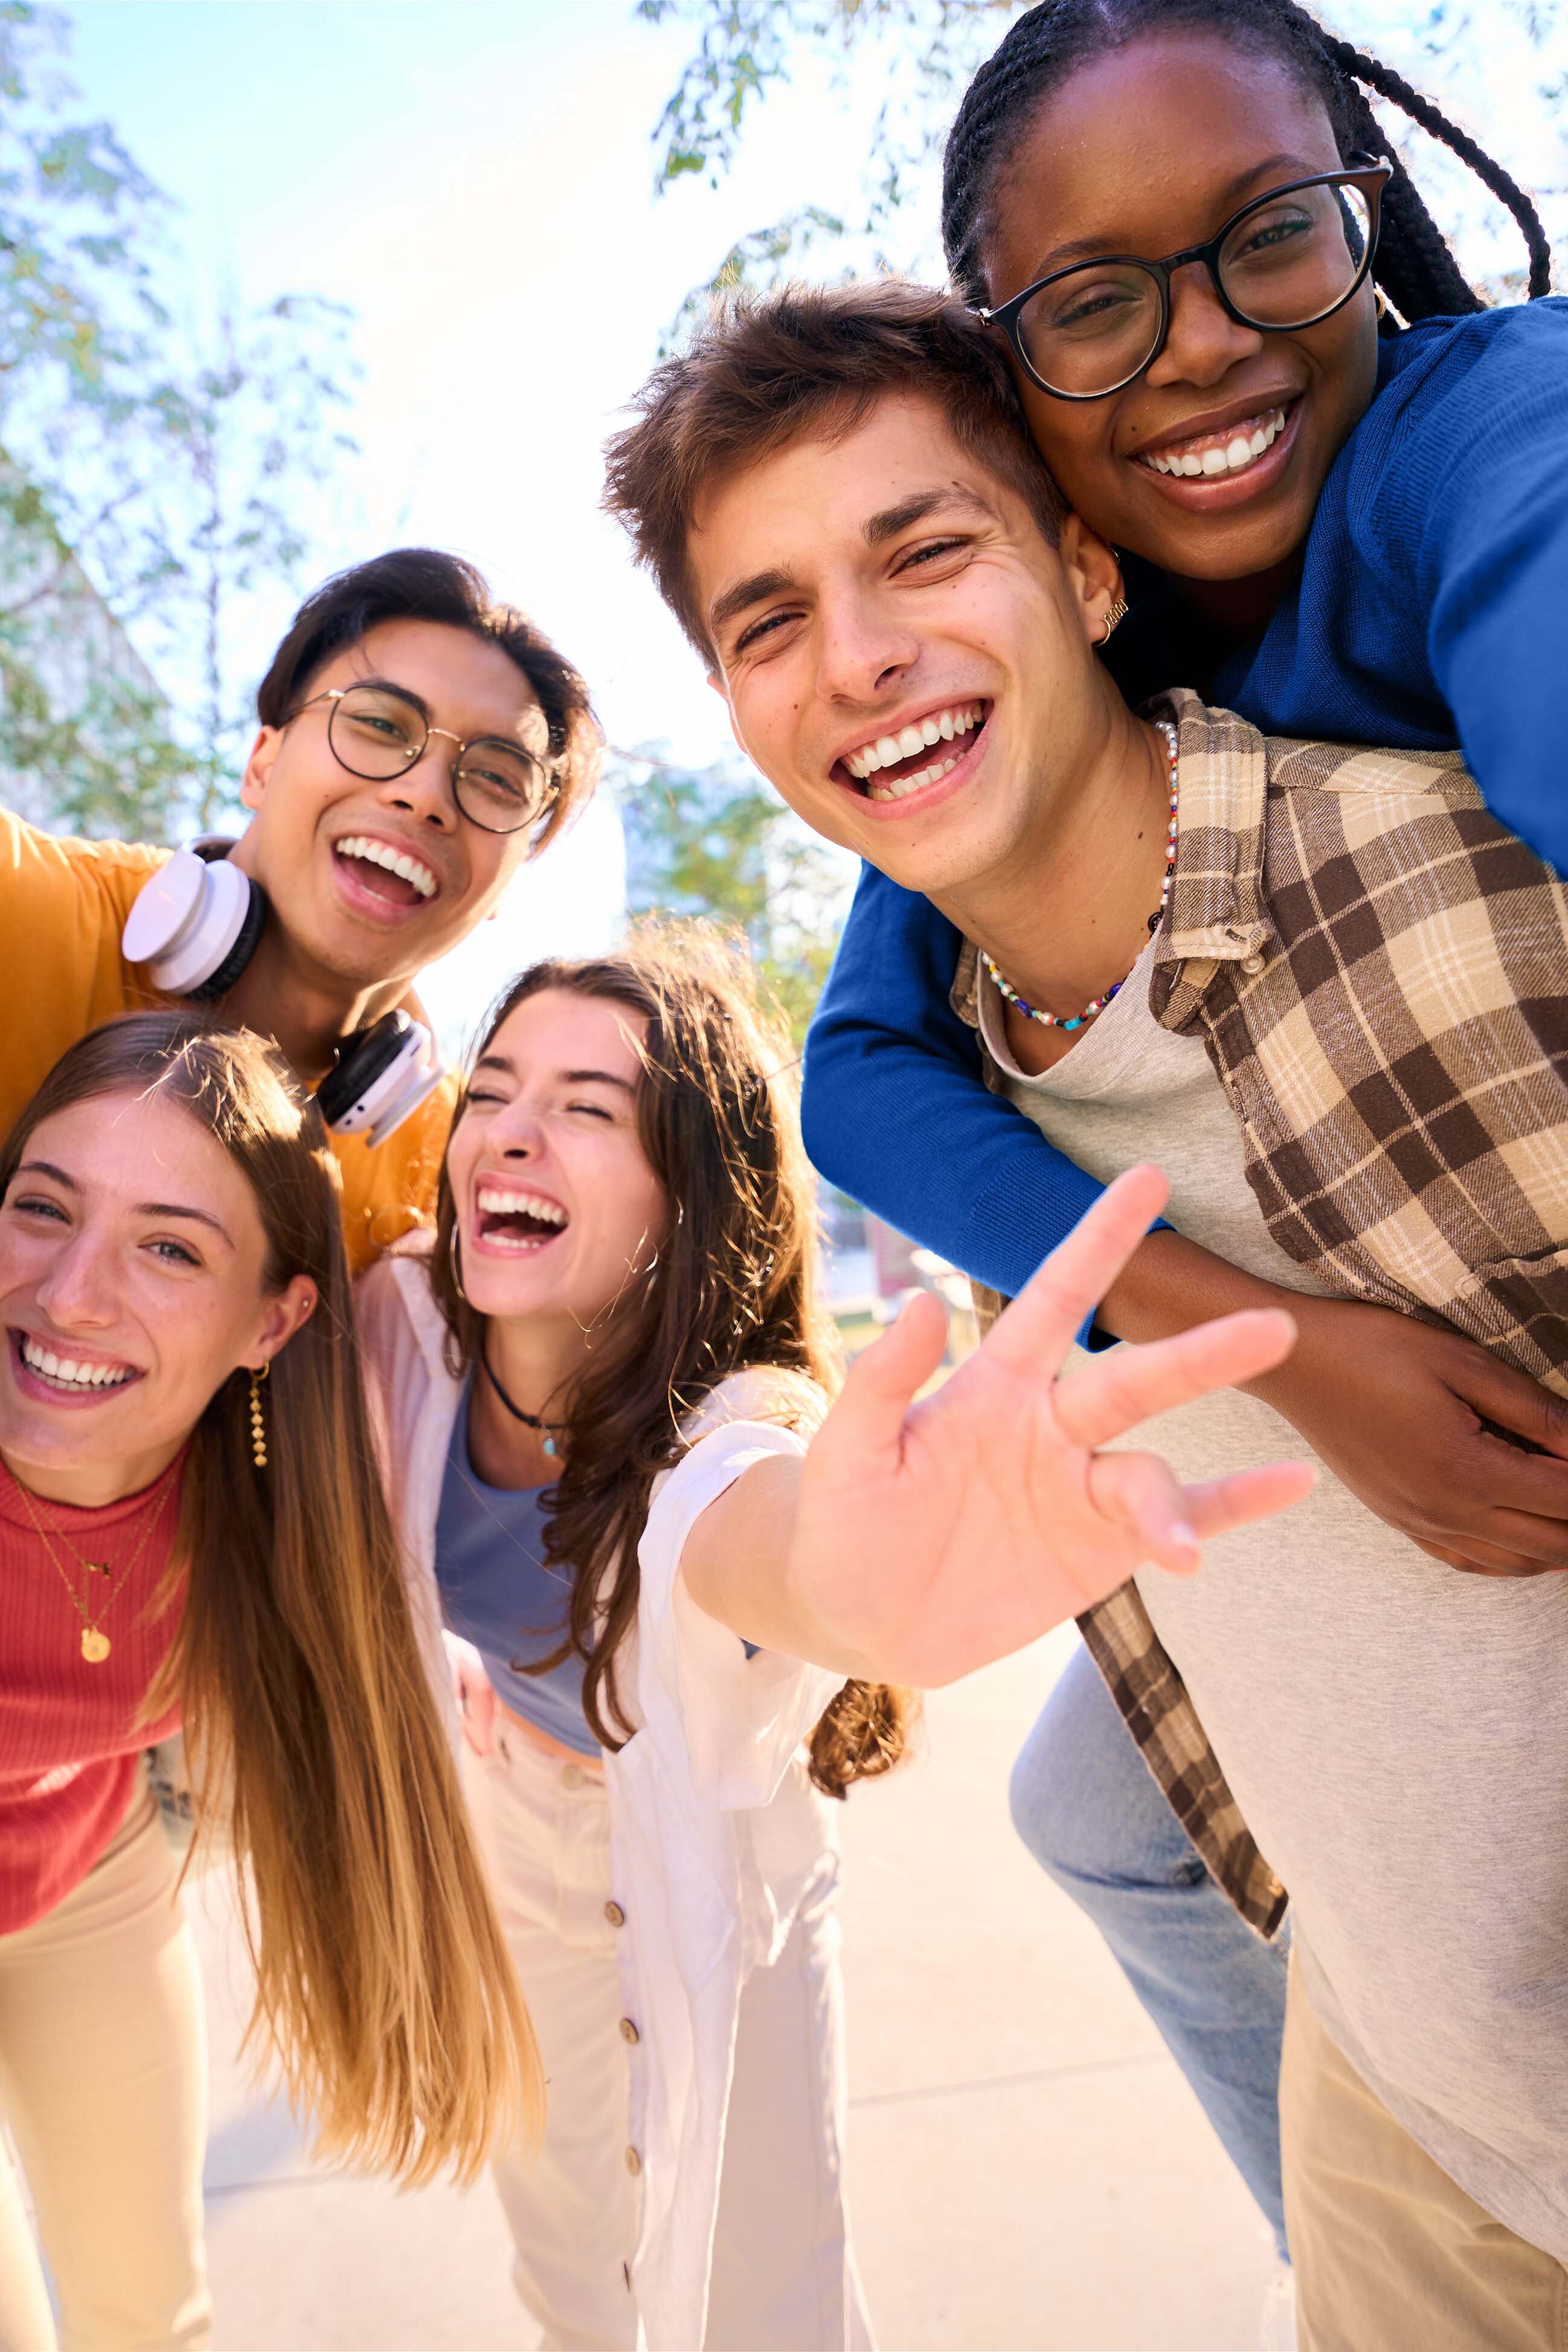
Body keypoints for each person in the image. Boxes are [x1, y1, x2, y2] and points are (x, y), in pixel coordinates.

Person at [603, 272, 1568, 2349]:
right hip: (1394, 2113)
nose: (855, 660)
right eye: (764, 620)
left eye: (920, 549)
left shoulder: (1466, 895)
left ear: (1083, 561)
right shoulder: (954, 1071)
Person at [356, 926, 1309, 2352]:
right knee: (567, 2273)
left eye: (587, 1109)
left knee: (755, 2290)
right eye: (492, 1090)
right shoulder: (395, 1317)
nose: (509, 1134)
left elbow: (785, 1553)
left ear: (686, 1192)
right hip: (503, 1835)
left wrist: (882, 1593)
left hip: (708, 1874)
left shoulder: (731, 1436)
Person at [0, 1014, 539, 2352]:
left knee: (148, 2311)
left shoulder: (266, 1501)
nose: (70, 1293)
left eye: (168, 1246)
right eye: (40, 1210)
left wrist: (439, 1640)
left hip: (81, 1865)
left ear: (272, 1319)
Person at [3, 544, 600, 1270]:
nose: (426, 796)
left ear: (508, 884)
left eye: (498, 781)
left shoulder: (449, 1166)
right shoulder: (23, 905)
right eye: (381, 726)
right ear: (262, 763)